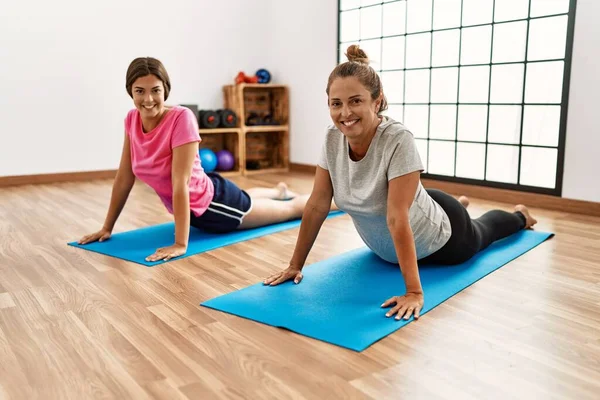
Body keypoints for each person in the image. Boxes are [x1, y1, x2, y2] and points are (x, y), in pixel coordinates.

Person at [263, 45, 538, 322]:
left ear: (377, 100)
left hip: (441, 239)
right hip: (407, 216)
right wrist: (294, 265)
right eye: (336, 103)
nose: (345, 113)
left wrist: (414, 292)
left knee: (484, 231)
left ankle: (519, 217)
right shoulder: (332, 137)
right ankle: (455, 204)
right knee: (416, 202)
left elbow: (396, 218)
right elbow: (317, 204)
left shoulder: (397, 139)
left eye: (356, 101)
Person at [78, 57, 318, 262]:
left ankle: (336, 201)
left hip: (215, 206)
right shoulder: (131, 119)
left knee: (292, 209)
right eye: (140, 91)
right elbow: (124, 176)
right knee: (250, 198)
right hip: (204, 194)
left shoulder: (181, 118)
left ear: (166, 90)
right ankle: (277, 190)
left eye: (156, 90)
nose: (148, 99)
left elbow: (180, 183)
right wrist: (106, 227)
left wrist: (181, 243)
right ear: (130, 90)